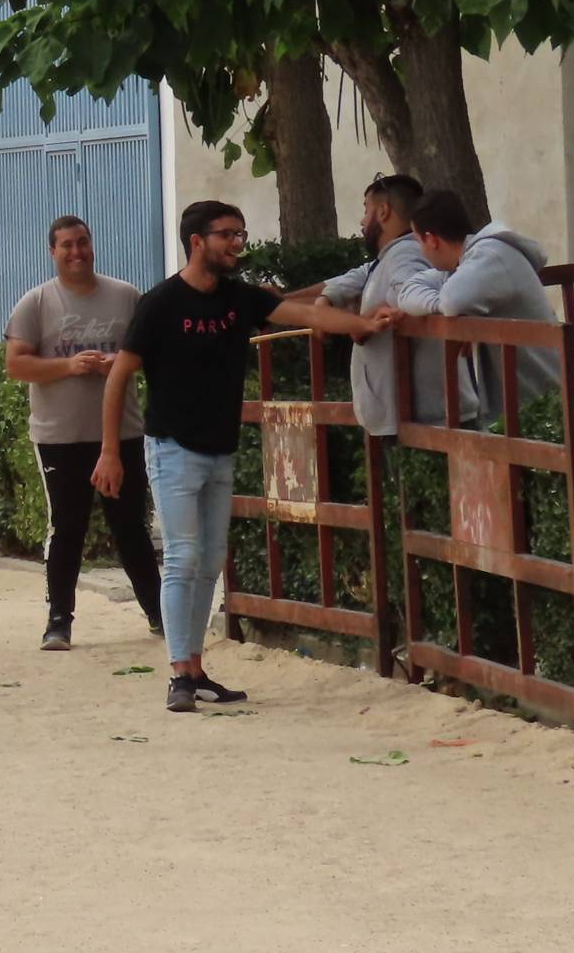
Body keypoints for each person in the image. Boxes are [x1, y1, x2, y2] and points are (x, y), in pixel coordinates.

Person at [95, 201, 391, 715]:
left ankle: (195, 668)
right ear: (196, 241)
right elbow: (119, 377)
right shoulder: (160, 303)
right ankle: (177, 675)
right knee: (183, 559)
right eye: (226, 234)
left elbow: (304, 313)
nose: (237, 243)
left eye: (241, 233)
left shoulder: (240, 299)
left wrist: (360, 324)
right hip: (171, 449)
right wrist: (109, 452)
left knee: (210, 562)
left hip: (220, 449)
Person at [4, 215, 162, 650]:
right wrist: (68, 366)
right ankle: (59, 621)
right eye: (67, 245)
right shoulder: (36, 303)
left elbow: (154, 353)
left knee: (130, 526)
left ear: (93, 245)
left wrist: (122, 364)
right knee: (67, 528)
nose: (77, 253)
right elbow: (16, 363)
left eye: (83, 243)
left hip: (123, 433)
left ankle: (158, 613)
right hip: (59, 436)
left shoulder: (125, 296)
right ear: (52, 252)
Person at [399, 192, 562, 416]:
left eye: (418, 241)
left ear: (431, 239)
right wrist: (443, 304)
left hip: (552, 399)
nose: (421, 250)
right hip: (530, 403)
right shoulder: (462, 268)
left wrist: (449, 306)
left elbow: (452, 301)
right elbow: (408, 291)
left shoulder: (492, 255)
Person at [315, 174, 451, 436]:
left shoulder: (405, 254)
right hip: (407, 414)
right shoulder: (389, 258)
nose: (362, 221)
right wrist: (320, 299)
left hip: (419, 418)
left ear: (383, 211)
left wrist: (365, 323)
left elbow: (412, 296)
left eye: (366, 211)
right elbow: (343, 282)